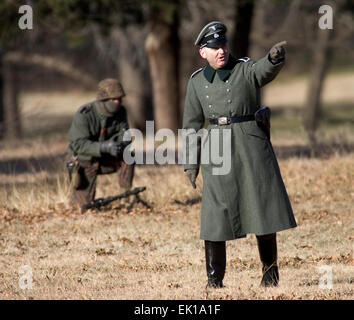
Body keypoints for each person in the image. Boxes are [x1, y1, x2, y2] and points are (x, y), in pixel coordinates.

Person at [183, 21, 297, 288]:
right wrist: (191, 164)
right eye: (214, 47)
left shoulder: (244, 68)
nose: (220, 51)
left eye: (223, 45)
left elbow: (263, 71)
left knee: (262, 209)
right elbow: (191, 125)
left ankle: (270, 275)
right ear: (203, 52)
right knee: (214, 215)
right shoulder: (197, 82)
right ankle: (214, 280)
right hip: (216, 149)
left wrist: (273, 58)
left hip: (251, 145)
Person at [65, 78, 134, 209]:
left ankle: (125, 197)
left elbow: (126, 136)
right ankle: (79, 199)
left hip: (106, 160)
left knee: (128, 156)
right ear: (103, 100)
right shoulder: (85, 114)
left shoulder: (121, 112)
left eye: (120, 99)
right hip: (84, 160)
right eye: (114, 99)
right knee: (85, 207)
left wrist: (120, 146)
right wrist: (104, 147)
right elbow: (77, 145)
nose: (117, 102)